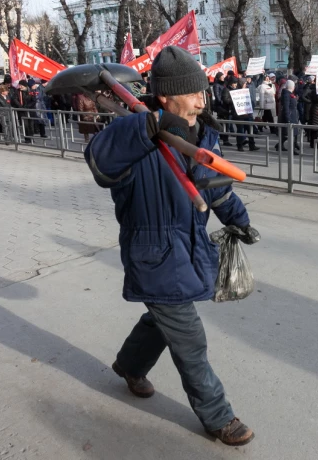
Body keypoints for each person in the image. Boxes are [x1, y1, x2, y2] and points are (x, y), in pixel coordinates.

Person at [84, 46, 259, 447]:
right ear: (165, 96)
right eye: (193, 92)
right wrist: (146, 129)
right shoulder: (135, 135)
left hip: (190, 247)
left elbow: (215, 188)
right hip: (156, 254)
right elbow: (99, 162)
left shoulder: (204, 132)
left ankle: (129, 365)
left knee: (164, 319)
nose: (202, 99)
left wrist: (240, 220)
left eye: (203, 91)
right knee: (190, 339)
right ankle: (218, 417)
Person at [222, 76, 259, 152]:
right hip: (237, 113)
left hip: (246, 112)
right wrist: (235, 99)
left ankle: (252, 145)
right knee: (240, 130)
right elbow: (225, 100)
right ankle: (240, 145)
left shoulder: (242, 90)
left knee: (250, 128)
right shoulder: (228, 90)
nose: (246, 84)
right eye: (245, 83)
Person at [276, 79, 300, 155]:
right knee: (290, 134)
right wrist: (288, 119)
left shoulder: (289, 94)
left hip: (293, 115)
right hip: (289, 116)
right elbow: (286, 107)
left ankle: (279, 145)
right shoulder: (287, 94)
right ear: (292, 86)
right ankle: (292, 150)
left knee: (289, 134)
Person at [212, 72, 233, 146]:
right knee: (224, 123)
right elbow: (217, 96)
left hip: (225, 106)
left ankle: (223, 137)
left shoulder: (224, 84)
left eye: (223, 76)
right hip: (221, 107)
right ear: (218, 77)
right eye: (222, 76)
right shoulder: (216, 85)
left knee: (224, 123)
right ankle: (225, 139)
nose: (223, 77)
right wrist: (222, 102)